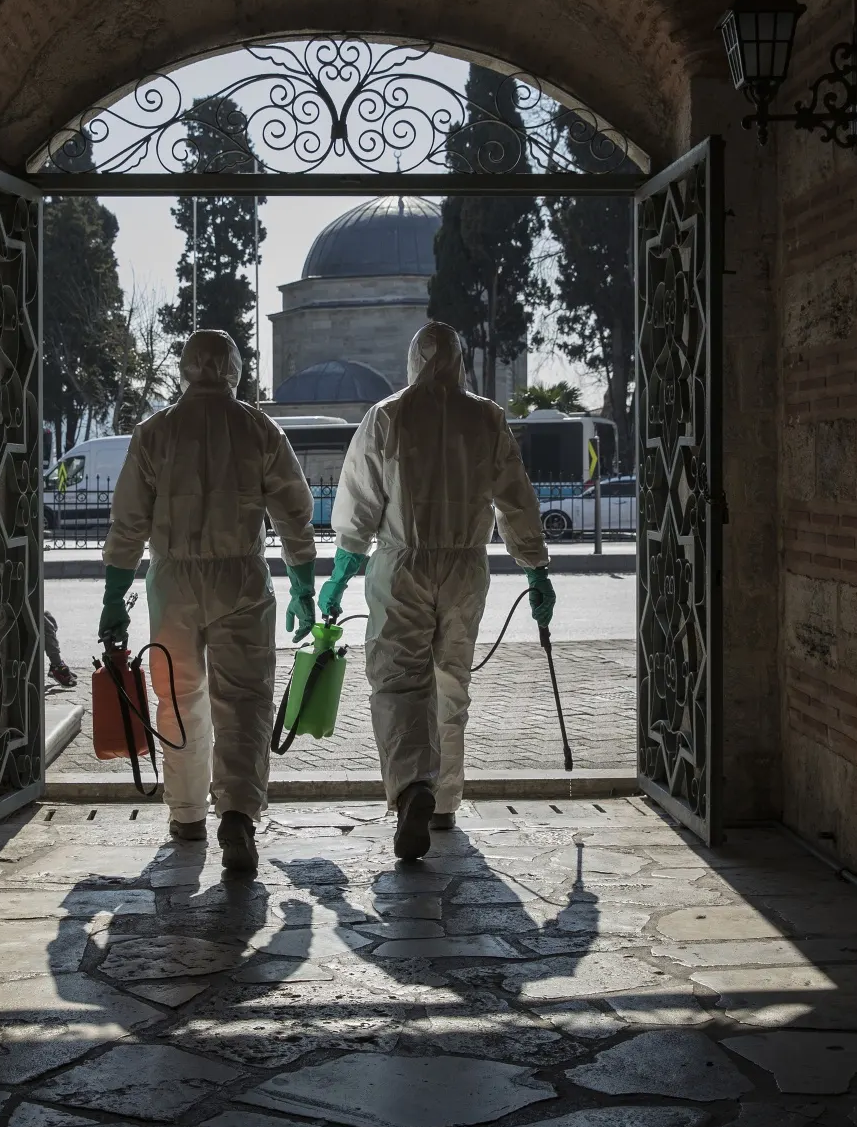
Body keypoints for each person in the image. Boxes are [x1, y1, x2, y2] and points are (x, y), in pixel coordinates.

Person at [319, 322, 554, 860]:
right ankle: (445, 799)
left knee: (401, 684)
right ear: (459, 360)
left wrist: (340, 574)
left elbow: (360, 505)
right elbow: (516, 501)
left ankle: (413, 789)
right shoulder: (486, 418)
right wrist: (536, 569)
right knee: (452, 680)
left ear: (413, 360)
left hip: (403, 565)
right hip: (466, 568)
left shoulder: (387, 416)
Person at [99, 329, 318, 873]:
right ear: (234, 369)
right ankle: (238, 814)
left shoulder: (156, 432)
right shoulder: (257, 428)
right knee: (244, 700)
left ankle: (188, 814)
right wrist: (305, 585)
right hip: (241, 580)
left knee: (177, 696)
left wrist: (112, 595)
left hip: (171, 583)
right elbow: (294, 511)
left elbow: (127, 522)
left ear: (185, 369)